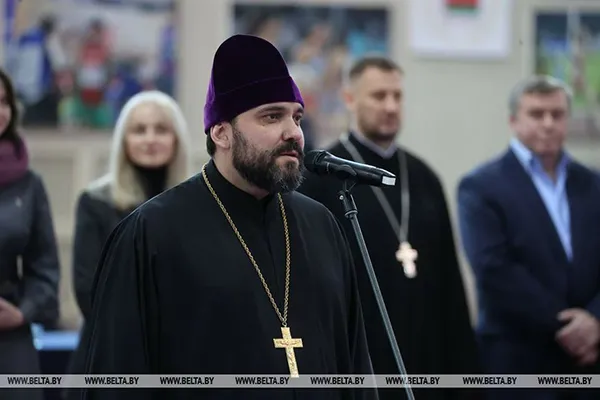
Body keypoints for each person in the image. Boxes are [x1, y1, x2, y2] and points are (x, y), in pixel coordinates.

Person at [68, 34, 377, 400]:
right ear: (221, 133)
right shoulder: (151, 234)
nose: (293, 133)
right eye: (272, 116)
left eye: (296, 117)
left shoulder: (322, 227)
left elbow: (354, 368)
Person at [298, 56, 479, 400]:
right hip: (358, 359)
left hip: (428, 362)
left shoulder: (424, 178)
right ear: (350, 99)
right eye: (379, 96)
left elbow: (450, 284)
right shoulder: (321, 179)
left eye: (397, 96)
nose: (391, 106)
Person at [457, 75, 600, 400]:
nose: (548, 124)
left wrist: (595, 320)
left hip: (588, 362)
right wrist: (569, 327)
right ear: (513, 120)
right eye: (536, 114)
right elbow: (493, 268)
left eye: (557, 114)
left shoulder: (592, 184)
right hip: (519, 359)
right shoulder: (481, 187)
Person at [72, 90, 192, 323]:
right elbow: (88, 291)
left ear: (177, 140)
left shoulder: (196, 204)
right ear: (124, 141)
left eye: (161, 130)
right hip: (110, 336)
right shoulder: (95, 202)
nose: (150, 139)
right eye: (139, 130)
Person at [0, 67, 61, 400]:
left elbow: (45, 270)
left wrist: (23, 311)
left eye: (3, 101)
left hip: (10, 332)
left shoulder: (29, 184)